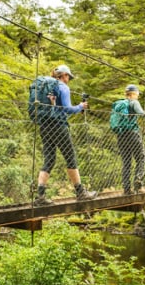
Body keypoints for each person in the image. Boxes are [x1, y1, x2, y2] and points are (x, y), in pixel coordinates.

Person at [34, 64, 98, 206]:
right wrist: (81, 106)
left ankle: (40, 196)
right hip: (58, 126)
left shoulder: (46, 87)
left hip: (44, 126)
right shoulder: (62, 87)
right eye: (68, 76)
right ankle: (80, 193)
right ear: (64, 75)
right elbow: (67, 109)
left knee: (49, 159)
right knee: (71, 157)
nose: (68, 79)